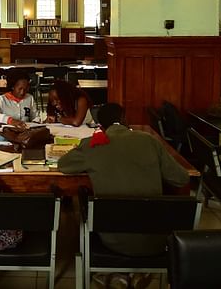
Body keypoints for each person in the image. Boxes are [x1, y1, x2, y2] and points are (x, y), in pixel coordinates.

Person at [59, 103, 190, 257]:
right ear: (124, 119)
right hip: (155, 238)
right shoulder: (149, 141)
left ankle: (117, 274)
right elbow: (182, 179)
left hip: (112, 239)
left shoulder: (92, 144)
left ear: (100, 125)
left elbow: (63, 165)